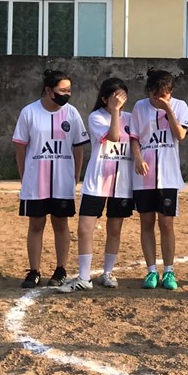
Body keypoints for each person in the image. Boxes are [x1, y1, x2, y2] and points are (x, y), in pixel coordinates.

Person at [12, 69, 89, 288]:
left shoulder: (72, 113)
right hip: (37, 181)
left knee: (60, 223)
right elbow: (20, 148)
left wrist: (76, 174)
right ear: (48, 90)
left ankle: (60, 269)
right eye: (62, 90)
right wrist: (24, 176)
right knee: (36, 224)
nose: (67, 94)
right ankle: (34, 271)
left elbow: (79, 147)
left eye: (69, 90)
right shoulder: (29, 112)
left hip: (62, 180)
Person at [56, 78, 132, 293]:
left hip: (122, 182)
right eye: (115, 96)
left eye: (123, 96)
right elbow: (114, 137)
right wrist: (115, 111)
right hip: (97, 181)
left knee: (114, 229)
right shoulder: (96, 117)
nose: (120, 101)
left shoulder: (131, 118)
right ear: (104, 98)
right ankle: (84, 277)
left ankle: (107, 272)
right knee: (84, 228)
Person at [130, 69, 188, 290]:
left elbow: (180, 135)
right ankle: (151, 271)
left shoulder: (180, 106)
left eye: (163, 95)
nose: (158, 99)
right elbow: (134, 137)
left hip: (168, 175)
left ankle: (169, 271)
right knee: (146, 222)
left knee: (166, 223)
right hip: (144, 175)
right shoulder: (139, 107)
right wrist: (138, 158)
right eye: (154, 95)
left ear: (170, 92)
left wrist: (168, 110)